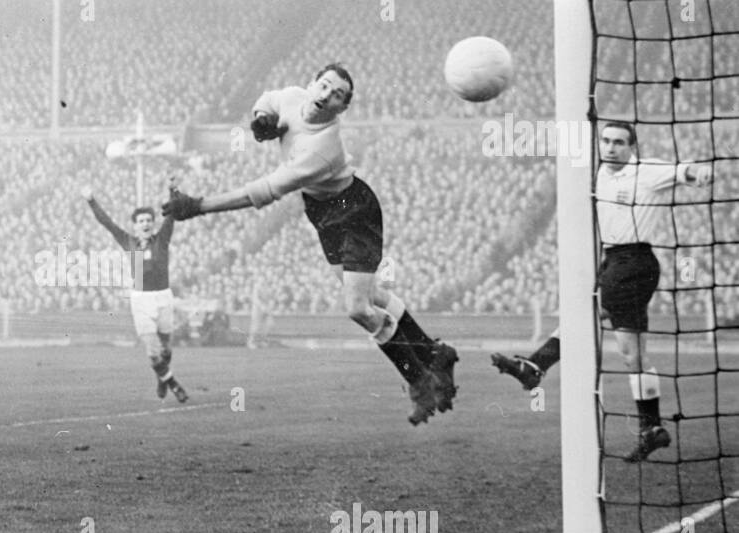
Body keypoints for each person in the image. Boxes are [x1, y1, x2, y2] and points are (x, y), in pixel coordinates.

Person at [162, 63, 458, 425]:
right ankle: (434, 353)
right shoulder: (292, 97)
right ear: (312, 84)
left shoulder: (323, 148)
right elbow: (268, 99)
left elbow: (263, 191)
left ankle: (419, 380)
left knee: (358, 308)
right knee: (373, 295)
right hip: (320, 211)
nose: (326, 95)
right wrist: (261, 118)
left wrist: (198, 206)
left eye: (337, 95)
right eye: (325, 85)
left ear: (341, 109)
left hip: (354, 212)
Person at [492, 122, 714, 462]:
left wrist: (700, 174)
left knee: (585, 311)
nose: (611, 148)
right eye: (606, 141)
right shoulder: (597, 175)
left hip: (635, 260)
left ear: (631, 146)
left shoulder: (647, 171)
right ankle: (651, 428)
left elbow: (685, 170)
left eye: (619, 143)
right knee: (632, 355)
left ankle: (535, 367)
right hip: (612, 261)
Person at [81, 185, 188, 402]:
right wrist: (91, 200)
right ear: (135, 226)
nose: (146, 224)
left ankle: (162, 379)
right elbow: (107, 223)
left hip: (164, 297)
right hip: (141, 300)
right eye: (141, 221)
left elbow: (172, 215)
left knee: (166, 349)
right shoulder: (128, 242)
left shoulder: (162, 239)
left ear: (153, 223)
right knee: (152, 349)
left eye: (149, 220)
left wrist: (173, 191)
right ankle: (174, 384)